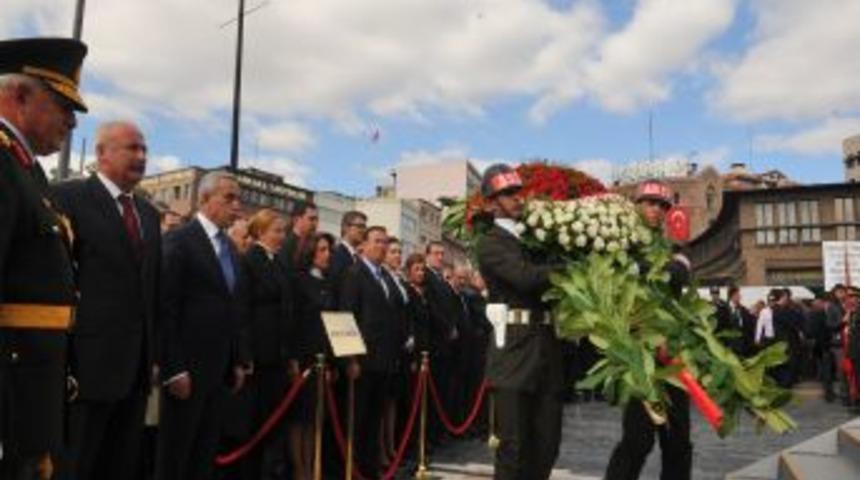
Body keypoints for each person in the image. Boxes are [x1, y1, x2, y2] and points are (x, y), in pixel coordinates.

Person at [52, 121, 161, 480]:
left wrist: (153, 356)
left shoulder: (147, 214)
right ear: (102, 154)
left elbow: (149, 290)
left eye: (144, 149)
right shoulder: (67, 197)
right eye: (132, 148)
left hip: (134, 372)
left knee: (119, 465)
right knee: (76, 464)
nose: (141, 156)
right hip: (84, 369)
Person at [0, 37, 88, 480]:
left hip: (34, 385)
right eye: (61, 105)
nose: (71, 121)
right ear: (19, 96)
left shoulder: (27, 170)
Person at [156, 171, 251, 480]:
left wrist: (236, 360)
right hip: (187, 371)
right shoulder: (180, 241)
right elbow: (165, 308)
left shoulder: (231, 251)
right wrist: (173, 368)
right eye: (229, 198)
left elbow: (231, 307)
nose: (237, 205)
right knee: (176, 455)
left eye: (239, 198)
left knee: (204, 454)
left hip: (219, 371)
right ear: (204, 199)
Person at [475, 164, 565, 480]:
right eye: (508, 194)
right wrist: (564, 268)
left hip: (546, 349)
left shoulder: (537, 240)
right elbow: (524, 278)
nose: (517, 199)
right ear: (490, 203)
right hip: (513, 353)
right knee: (513, 450)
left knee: (547, 445)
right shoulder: (490, 243)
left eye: (518, 192)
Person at [605, 179, 693, 480]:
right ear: (637, 205)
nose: (657, 210)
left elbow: (680, 275)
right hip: (639, 357)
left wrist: (651, 271)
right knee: (637, 441)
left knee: (679, 441)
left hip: (673, 357)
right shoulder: (621, 243)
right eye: (650, 203)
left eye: (663, 206)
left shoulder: (674, 248)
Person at [339, 226, 404, 478]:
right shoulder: (354, 274)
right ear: (363, 245)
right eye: (377, 241)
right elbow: (347, 316)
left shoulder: (384, 276)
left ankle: (370, 467)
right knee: (359, 420)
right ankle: (354, 469)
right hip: (363, 362)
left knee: (374, 419)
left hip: (384, 360)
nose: (382, 246)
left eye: (385, 242)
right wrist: (350, 359)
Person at [239, 208, 296, 480]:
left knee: (276, 422)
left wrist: (291, 354)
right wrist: (245, 354)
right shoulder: (250, 260)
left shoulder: (280, 262)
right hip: (259, 358)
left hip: (279, 356)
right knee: (257, 424)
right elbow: (243, 310)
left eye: (283, 231)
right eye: (277, 231)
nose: (282, 236)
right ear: (260, 232)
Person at [293, 232, 337, 480]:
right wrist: (297, 361)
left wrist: (330, 361)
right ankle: (300, 469)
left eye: (328, 249)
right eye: (321, 250)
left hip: (322, 359)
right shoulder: (298, 280)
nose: (327, 254)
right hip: (304, 360)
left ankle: (312, 465)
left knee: (314, 420)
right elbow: (295, 322)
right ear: (310, 252)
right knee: (299, 419)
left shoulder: (327, 282)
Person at [381, 237, 411, 465]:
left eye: (399, 252)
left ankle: (391, 446)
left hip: (401, 349)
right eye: (393, 251)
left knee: (393, 402)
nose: (397, 256)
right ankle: (382, 449)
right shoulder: (384, 278)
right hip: (389, 347)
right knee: (384, 403)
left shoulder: (399, 279)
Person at [330, 210, 367, 297]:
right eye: (360, 226)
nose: (363, 231)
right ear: (346, 227)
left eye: (364, 227)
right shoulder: (337, 255)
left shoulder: (357, 257)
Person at [280, 200, 319, 269]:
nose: (315, 224)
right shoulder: (283, 243)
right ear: (296, 220)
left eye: (316, 219)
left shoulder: (311, 244)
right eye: (311, 219)